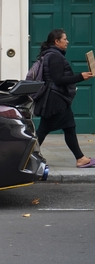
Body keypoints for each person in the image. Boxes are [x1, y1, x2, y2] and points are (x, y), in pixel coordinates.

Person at [36, 29, 95, 168]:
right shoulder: (55, 57)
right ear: (57, 41)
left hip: (55, 99)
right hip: (55, 100)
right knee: (45, 129)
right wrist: (81, 76)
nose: (67, 41)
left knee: (68, 127)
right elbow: (58, 79)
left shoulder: (51, 54)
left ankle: (80, 158)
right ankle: (24, 156)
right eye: (65, 39)